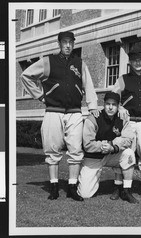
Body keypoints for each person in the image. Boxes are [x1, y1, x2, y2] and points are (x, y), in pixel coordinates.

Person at [20, 31, 99, 201]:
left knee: (75, 150)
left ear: (73, 43)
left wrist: (92, 107)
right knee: (52, 149)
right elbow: (26, 75)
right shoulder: (48, 61)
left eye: (71, 42)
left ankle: (71, 187)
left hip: (74, 113)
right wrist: (41, 95)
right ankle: (54, 187)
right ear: (59, 44)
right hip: (53, 111)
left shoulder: (80, 63)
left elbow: (89, 86)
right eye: (65, 42)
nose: (68, 45)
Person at [111, 47, 141, 200]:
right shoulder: (123, 79)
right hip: (129, 123)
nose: (137, 63)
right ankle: (119, 187)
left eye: (140, 60)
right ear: (130, 62)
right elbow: (114, 96)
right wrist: (120, 107)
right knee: (125, 154)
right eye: (134, 60)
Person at [77, 92, 138, 203]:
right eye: (107, 104)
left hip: (111, 155)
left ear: (118, 106)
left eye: (114, 104)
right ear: (103, 104)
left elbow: (128, 139)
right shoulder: (93, 118)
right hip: (94, 157)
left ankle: (126, 190)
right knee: (85, 194)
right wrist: (105, 145)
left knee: (128, 153)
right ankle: (88, 176)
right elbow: (88, 145)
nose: (110, 107)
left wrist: (113, 147)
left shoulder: (122, 118)